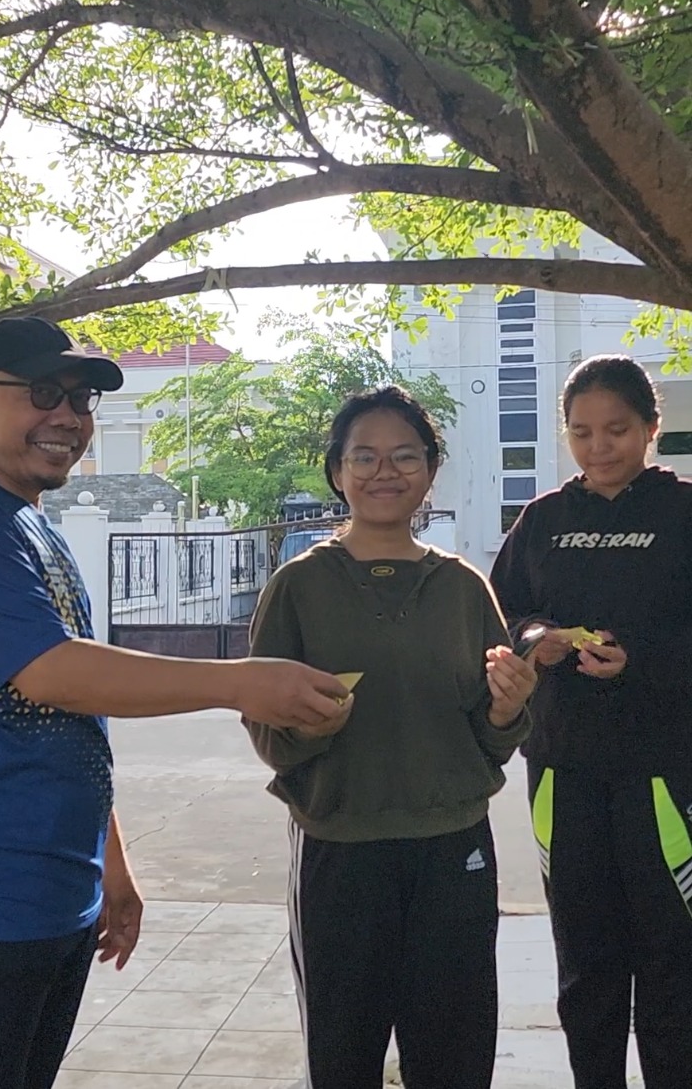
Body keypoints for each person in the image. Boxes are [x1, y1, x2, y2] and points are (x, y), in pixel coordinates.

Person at [0, 316, 347, 1089]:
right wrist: (239, 681)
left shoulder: (33, 524)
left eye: (80, 400)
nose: (67, 417)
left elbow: (74, 714)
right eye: (42, 394)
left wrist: (113, 864)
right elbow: (52, 673)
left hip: (55, 886)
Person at [243, 385, 536, 1089]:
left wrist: (508, 709)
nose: (385, 471)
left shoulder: (463, 587)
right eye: (364, 456)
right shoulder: (298, 586)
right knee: (343, 1056)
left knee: (456, 1055)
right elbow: (267, 732)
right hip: (341, 851)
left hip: (454, 848)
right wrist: (309, 726)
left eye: (405, 455)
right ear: (336, 471)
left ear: (431, 469)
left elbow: (492, 736)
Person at [490, 354, 692, 1089]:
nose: (599, 447)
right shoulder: (544, 519)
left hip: (665, 771)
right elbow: (503, 612)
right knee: (584, 957)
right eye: (581, 432)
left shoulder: (682, 512)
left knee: (673, 957)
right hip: (563, 767)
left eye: (617, 429)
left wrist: (640, 659)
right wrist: (535, 638)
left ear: (650, 428)